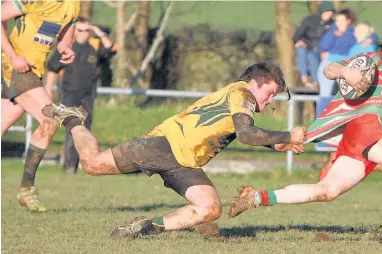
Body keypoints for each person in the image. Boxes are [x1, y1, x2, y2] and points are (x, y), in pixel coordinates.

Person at [228, 14, 382, 242]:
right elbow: (328, 69)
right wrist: (345, 72)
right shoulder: (372, 60)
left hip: (365, 138)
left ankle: (256, 197)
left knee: (326, 191)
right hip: (368, 125)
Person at [42, 62, 307, 238]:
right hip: (163, 144)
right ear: (257, 81)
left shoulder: (241, 101)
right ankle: (74, 119)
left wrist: (276, 143)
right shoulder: (243, 94)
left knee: (210, 209)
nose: (270, 100)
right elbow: (246, 133)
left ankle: (143, 228)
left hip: (185, 163)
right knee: (91, 164)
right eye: (270, 92)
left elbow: (235, 129)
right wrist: (287, 134)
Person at [1, 0, 80, 212]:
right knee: (50, 120)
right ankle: (26, 189)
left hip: (35, 72)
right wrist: (13, 55)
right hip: (15, 68)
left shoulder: (73, 5)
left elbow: (64, 33)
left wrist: (66, 48)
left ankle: (26, 189)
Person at [45, 17, 116, 174]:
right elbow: (52, 69)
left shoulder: (94, 48)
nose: (83, 34)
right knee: (73, 129)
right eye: (80, 30)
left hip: (88, 96)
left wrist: (98, 32)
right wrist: (48, 90)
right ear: (74, 31)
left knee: (86, 130)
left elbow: (111, 48)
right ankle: (69, 167)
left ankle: (82, 165)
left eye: (86, 30)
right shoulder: (67, 47)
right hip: (69, 94)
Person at [293, 1, 334, 89]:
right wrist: (298, 41)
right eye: (327, 12)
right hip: (308, 46)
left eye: (330, 13)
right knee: (301, 50)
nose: (329, 15)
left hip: (321, 49)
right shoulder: (309, 20)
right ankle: (304, 78)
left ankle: (316, 82)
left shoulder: (332, 24)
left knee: (312, 56)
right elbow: (297, 34)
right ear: (322, 11)